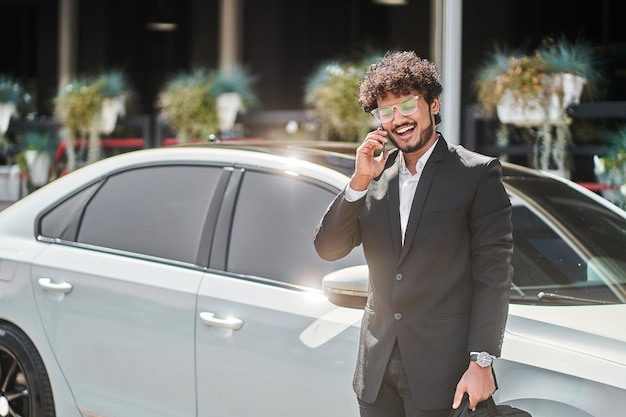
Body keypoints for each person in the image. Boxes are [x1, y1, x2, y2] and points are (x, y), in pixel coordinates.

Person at [313, 51, 514, 417]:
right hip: (376, 373)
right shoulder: (374, 175)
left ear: (433, 104)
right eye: (385, 111)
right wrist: (359, 181)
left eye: (407, 105)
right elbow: (328, 249)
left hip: (443, 375)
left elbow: (493, 274)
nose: (398, 119)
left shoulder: (476, 174)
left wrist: (482, 362)